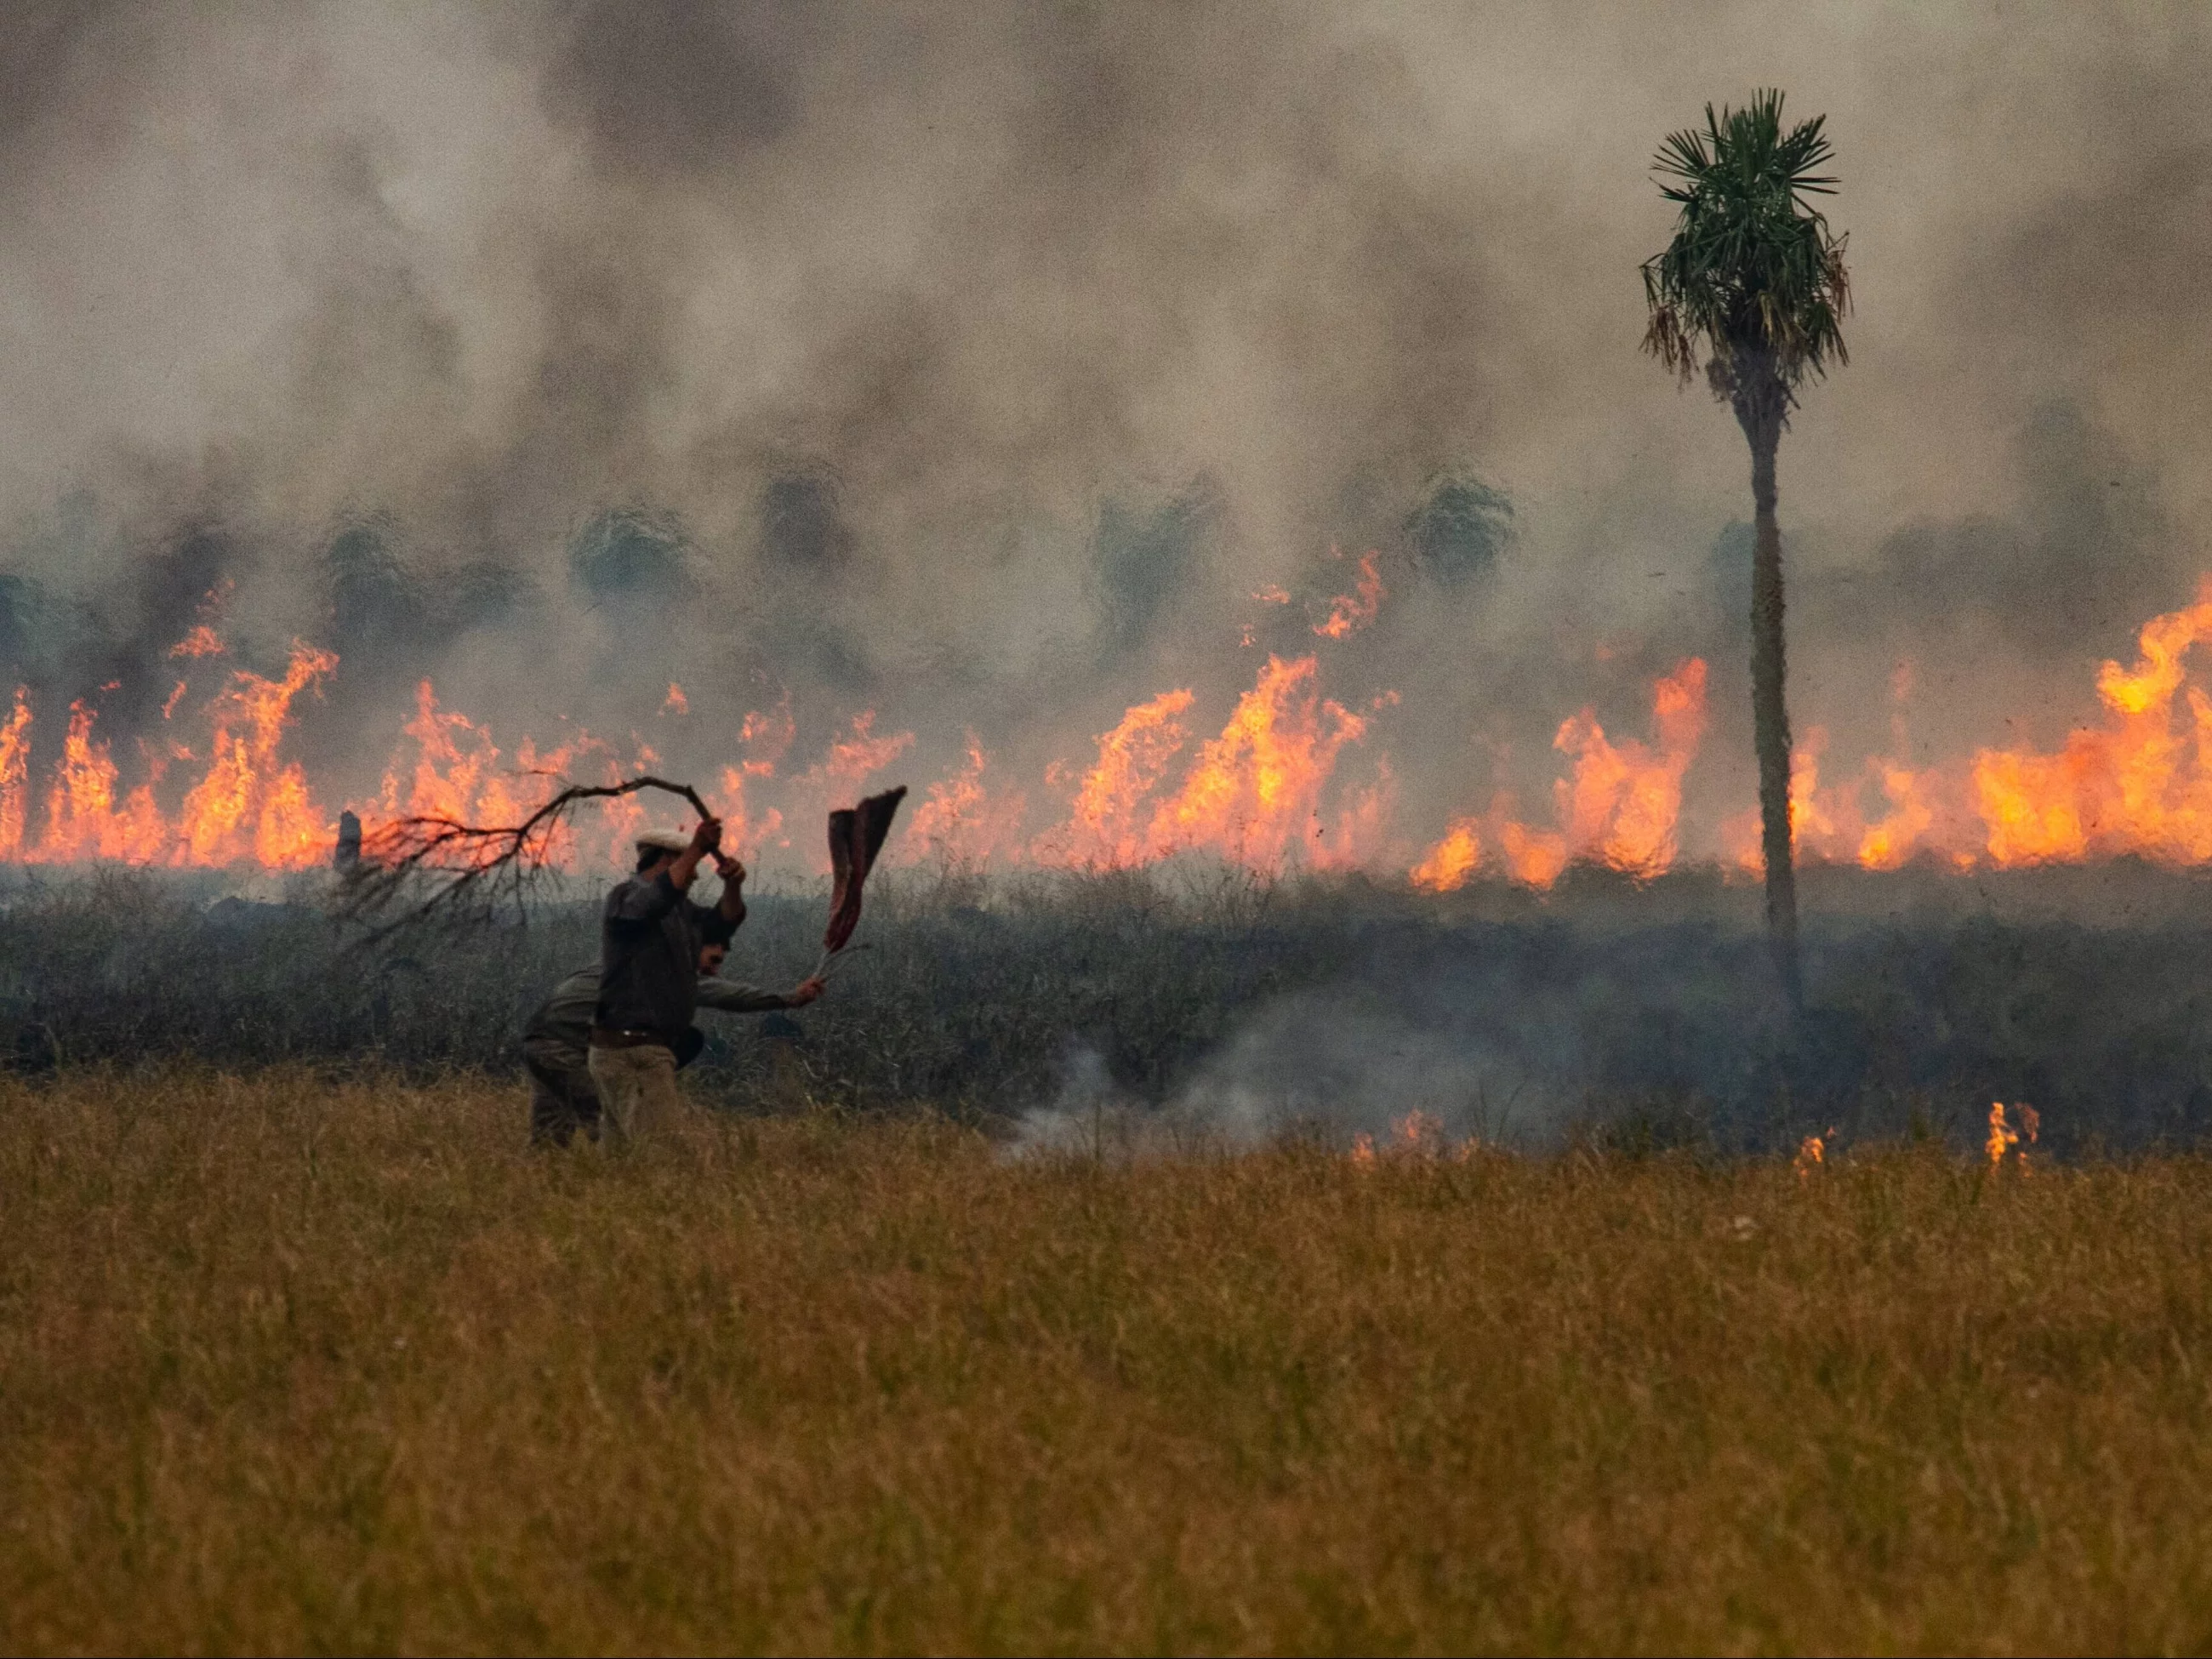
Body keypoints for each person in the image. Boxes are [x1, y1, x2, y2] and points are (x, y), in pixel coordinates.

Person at [583, 818, 824, 1141]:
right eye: (689, 864)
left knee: (625, 1164)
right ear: (667, 860)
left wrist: (733, 885)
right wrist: (697, 848)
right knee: (660, 1158)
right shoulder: (626, 897)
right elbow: (653, 902)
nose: (696, 873)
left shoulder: (682, 912)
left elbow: (722, 924)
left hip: (640, 1052)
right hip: (633, 1053)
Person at [522, 932, 825, 1147]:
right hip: (562, 1047)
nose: (715, 969)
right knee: (615, 1125)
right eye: (713, 957)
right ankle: (630, 1198)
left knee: (549, 1141)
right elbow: (728, 996)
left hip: (540, 1040)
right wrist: (789, 999)